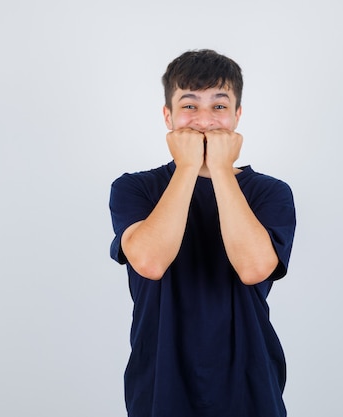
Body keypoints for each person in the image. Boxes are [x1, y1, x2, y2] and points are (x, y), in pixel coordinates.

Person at [109, 49, 296, 417]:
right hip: (160, 382)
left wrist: (221, 170)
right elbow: (149, 261)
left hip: (249, 381)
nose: (204, 120)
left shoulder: (270, 192)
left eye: (219, 106)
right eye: (190, 106)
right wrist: (189, 166)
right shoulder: (135, 188)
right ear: (168, 116)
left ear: (237, 115)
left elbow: (254, 268)